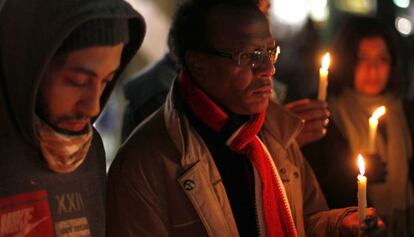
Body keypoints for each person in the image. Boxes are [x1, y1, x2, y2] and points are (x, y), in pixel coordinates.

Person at [107, 1, 383, 236]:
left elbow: (302, 221)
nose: (268, 69)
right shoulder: (145, 163)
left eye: (269, 52)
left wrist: (339, 224)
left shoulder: (275, 133)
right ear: (198, 65)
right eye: (249, 56)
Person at [0, 0, 145, 235]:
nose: (92, 107)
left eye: (106, 81)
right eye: (77, 82)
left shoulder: (88, 151)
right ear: (29, 66)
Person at [121, 0, 329, 146]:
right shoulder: (160, 103)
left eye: (267, 8)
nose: (268, 69)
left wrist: (281, 135)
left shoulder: (251, 90)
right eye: (257, 7)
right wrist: (278, 140)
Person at [302, 17, 414, 236]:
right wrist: (353, 175)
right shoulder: (323, 115)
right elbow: (312, 186)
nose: (373, 69)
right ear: (348, 61)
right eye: (363, 59)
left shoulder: (407, 113)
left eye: (382, 59)